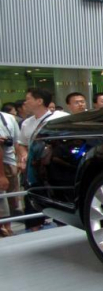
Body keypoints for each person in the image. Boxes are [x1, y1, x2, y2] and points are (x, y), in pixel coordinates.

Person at [15, 88, 69, 231]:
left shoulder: (60, 118)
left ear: (39, 101)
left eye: (28, 99)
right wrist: (23, 156)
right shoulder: (26, 123)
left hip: (55, 168)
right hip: (34, 169)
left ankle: (63, 227)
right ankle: (34, 228)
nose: (25, 102)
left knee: (58, 198)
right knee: (33, 198)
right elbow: (21, 144)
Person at [0, 106, 20, 237]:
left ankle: (8, 227)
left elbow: (17, 142)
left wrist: (20, 161)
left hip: (10, 161)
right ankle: (4, 229)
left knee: (12, 199)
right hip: (2, 166)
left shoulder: (8, 118)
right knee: (2, 200)